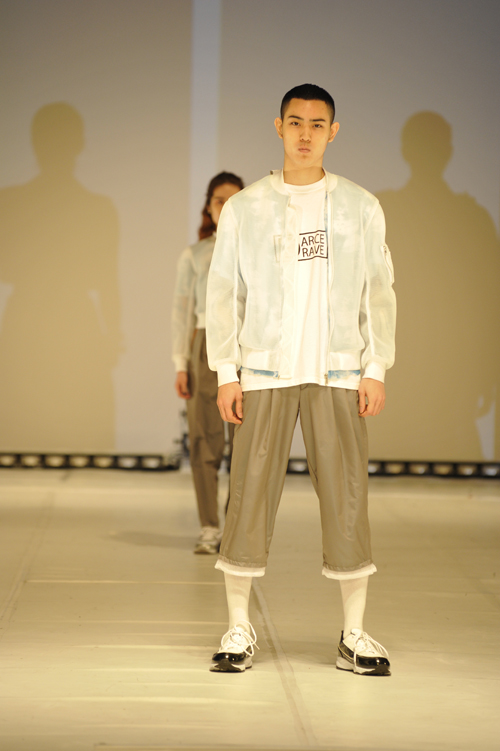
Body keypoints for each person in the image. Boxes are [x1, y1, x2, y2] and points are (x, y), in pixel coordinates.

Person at [205, 84, 396, 675]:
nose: (306, 134)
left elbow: (378, 292)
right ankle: (238, 627)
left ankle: (354, 633)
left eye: (317, 124)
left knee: (347, 497)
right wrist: (226, 371)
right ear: (279, 127)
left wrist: (375, 367)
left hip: (338, 369)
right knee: (248, 496)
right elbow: (224, 293)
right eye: (295, 122)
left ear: (333, 131)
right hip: (264, 370)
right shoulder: (246, 208)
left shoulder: (360, 206)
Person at [172, 172, 244, 554]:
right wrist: (180, 363)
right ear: (209, 207)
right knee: (204, 438)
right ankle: (209, 526)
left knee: (247, 442)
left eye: (235, 200)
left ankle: (237, 527)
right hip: (205, 347)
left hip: (249, 347)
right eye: (219, 200)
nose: (227, 206)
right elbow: (181, 313)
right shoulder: (196, 255)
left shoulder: (261, 251)